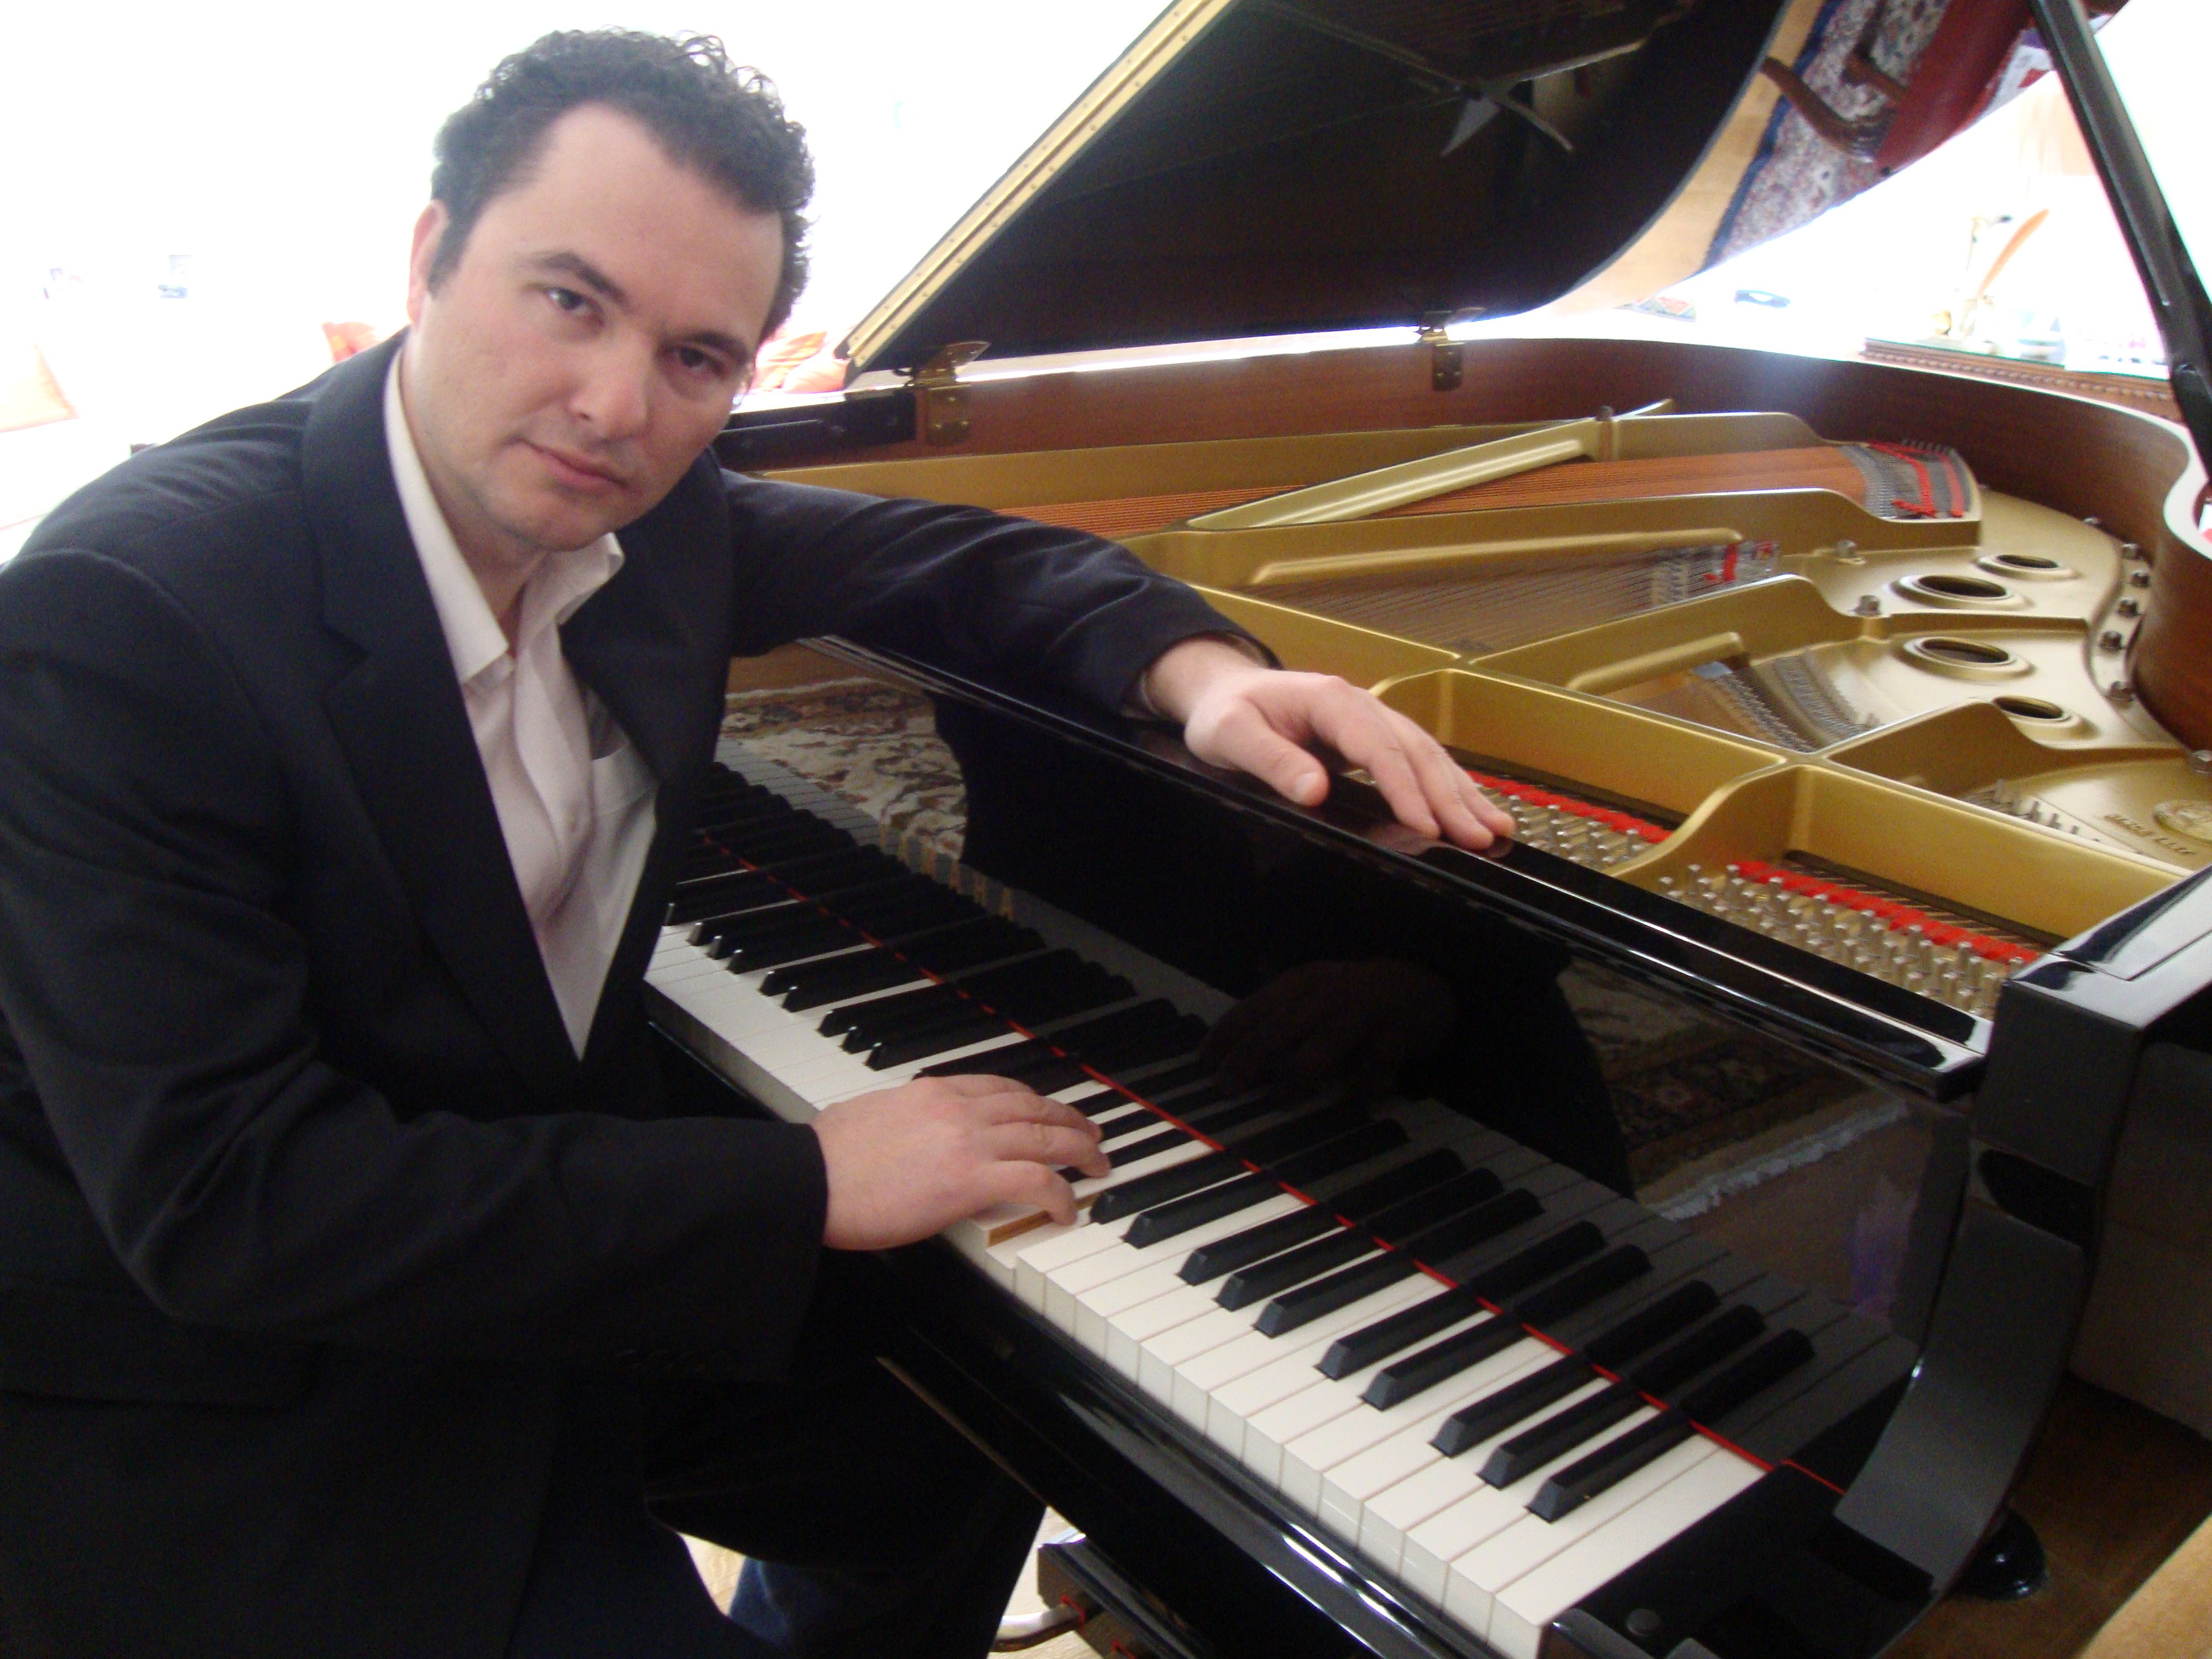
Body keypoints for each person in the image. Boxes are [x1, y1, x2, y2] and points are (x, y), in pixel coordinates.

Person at [0, 30, 1515, 1659]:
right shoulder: (127, 621)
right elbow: (236, 1203)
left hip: (545, 1258)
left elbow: (960, 570)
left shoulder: (648, 513)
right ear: (431, 256)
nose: (615, 406)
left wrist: (1203, 677)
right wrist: (800, 1183)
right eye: (567, 299)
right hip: (269, 1400)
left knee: (964, 1450)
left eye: (696, 357)